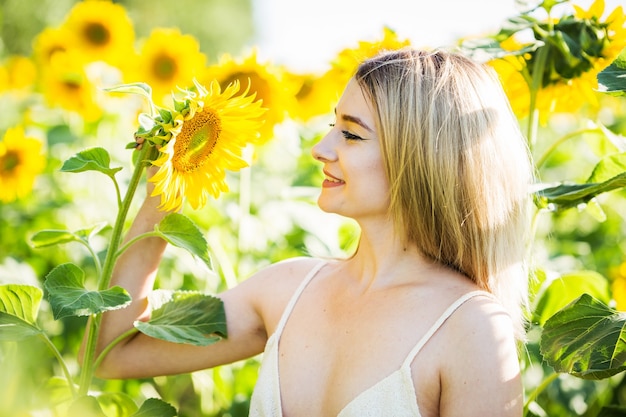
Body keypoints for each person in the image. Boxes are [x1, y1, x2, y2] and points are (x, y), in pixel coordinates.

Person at [90, 48, 534, 417]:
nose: (321, 150)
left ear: (421, 157)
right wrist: (162, 189)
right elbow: (111, 352)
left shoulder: (471, 327)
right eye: (331, 127)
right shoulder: (287, 289)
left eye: (352, 135)